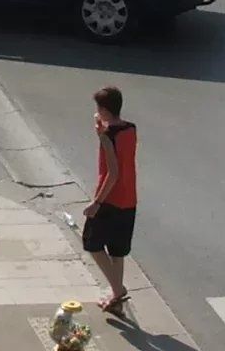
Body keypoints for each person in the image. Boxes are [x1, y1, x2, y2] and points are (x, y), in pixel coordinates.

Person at [83, 86, 138, 318]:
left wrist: (96, 202)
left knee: (92, 243)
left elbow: (111, 173)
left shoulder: (108, 136)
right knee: (117, 250)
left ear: (104, 110)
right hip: (129, 199)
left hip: (110, 200)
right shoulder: (130, 129)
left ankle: (117, 290)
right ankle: (116, 298)